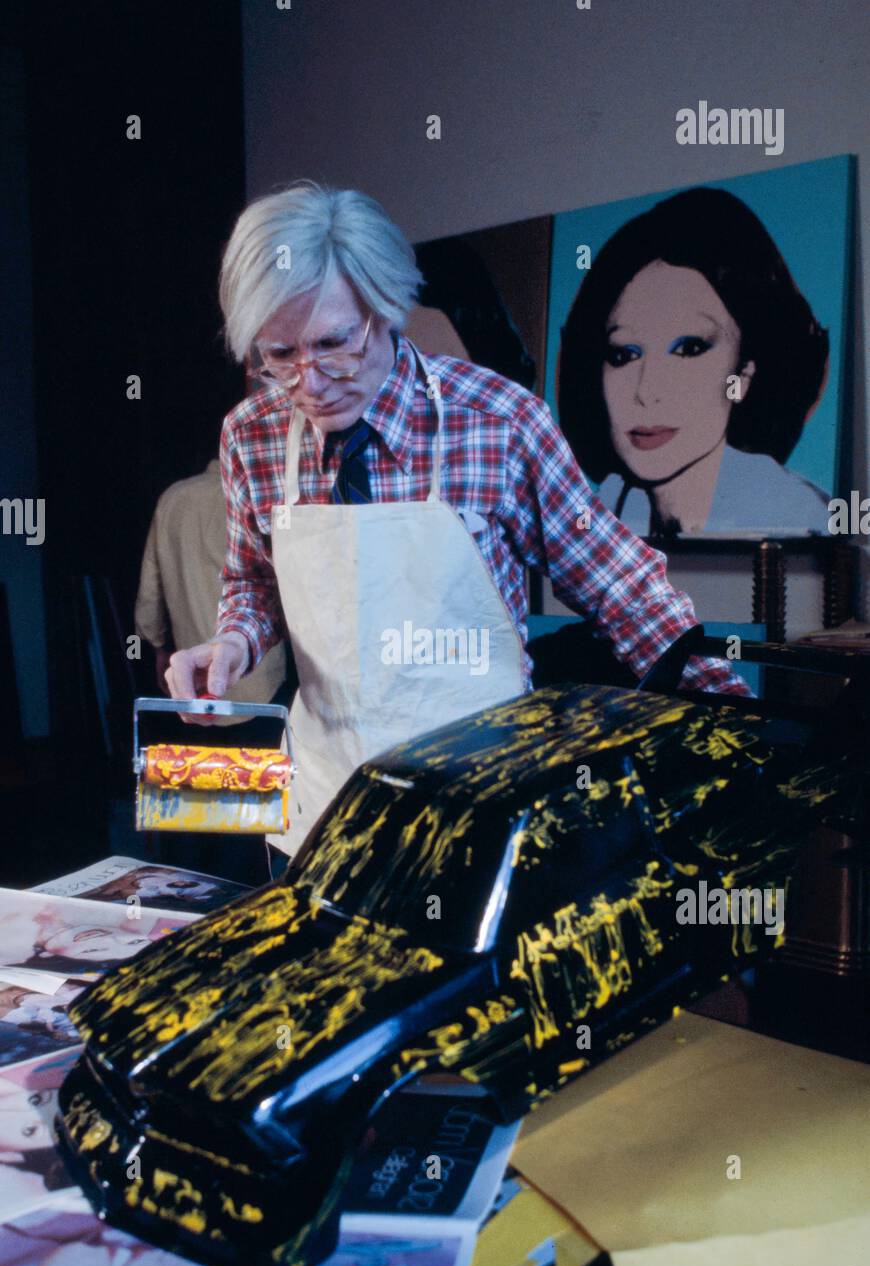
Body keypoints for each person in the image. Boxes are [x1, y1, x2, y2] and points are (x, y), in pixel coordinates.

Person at [166, 180, 749, 875]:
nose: (310, 383)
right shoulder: (251, 437)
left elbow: (619, 584)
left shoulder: (498, 420)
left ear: (386, 310)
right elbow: (255, 582)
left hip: (484, 806)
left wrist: (734, 722)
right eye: (279, 355)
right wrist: (232, 642)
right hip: (320, 813)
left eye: (333, 344)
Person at [557, 187, 831, 537]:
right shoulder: (615, 503)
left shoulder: (798, 518)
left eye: (688, 349)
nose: (647, 390)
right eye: (623, 354)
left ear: (744, 373)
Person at [135, 458, 290, 722]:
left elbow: (150, 592)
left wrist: (158, 647)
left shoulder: (173, 499)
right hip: (262, 682)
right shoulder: (265, 498)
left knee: (196, 762)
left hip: (191, 679)